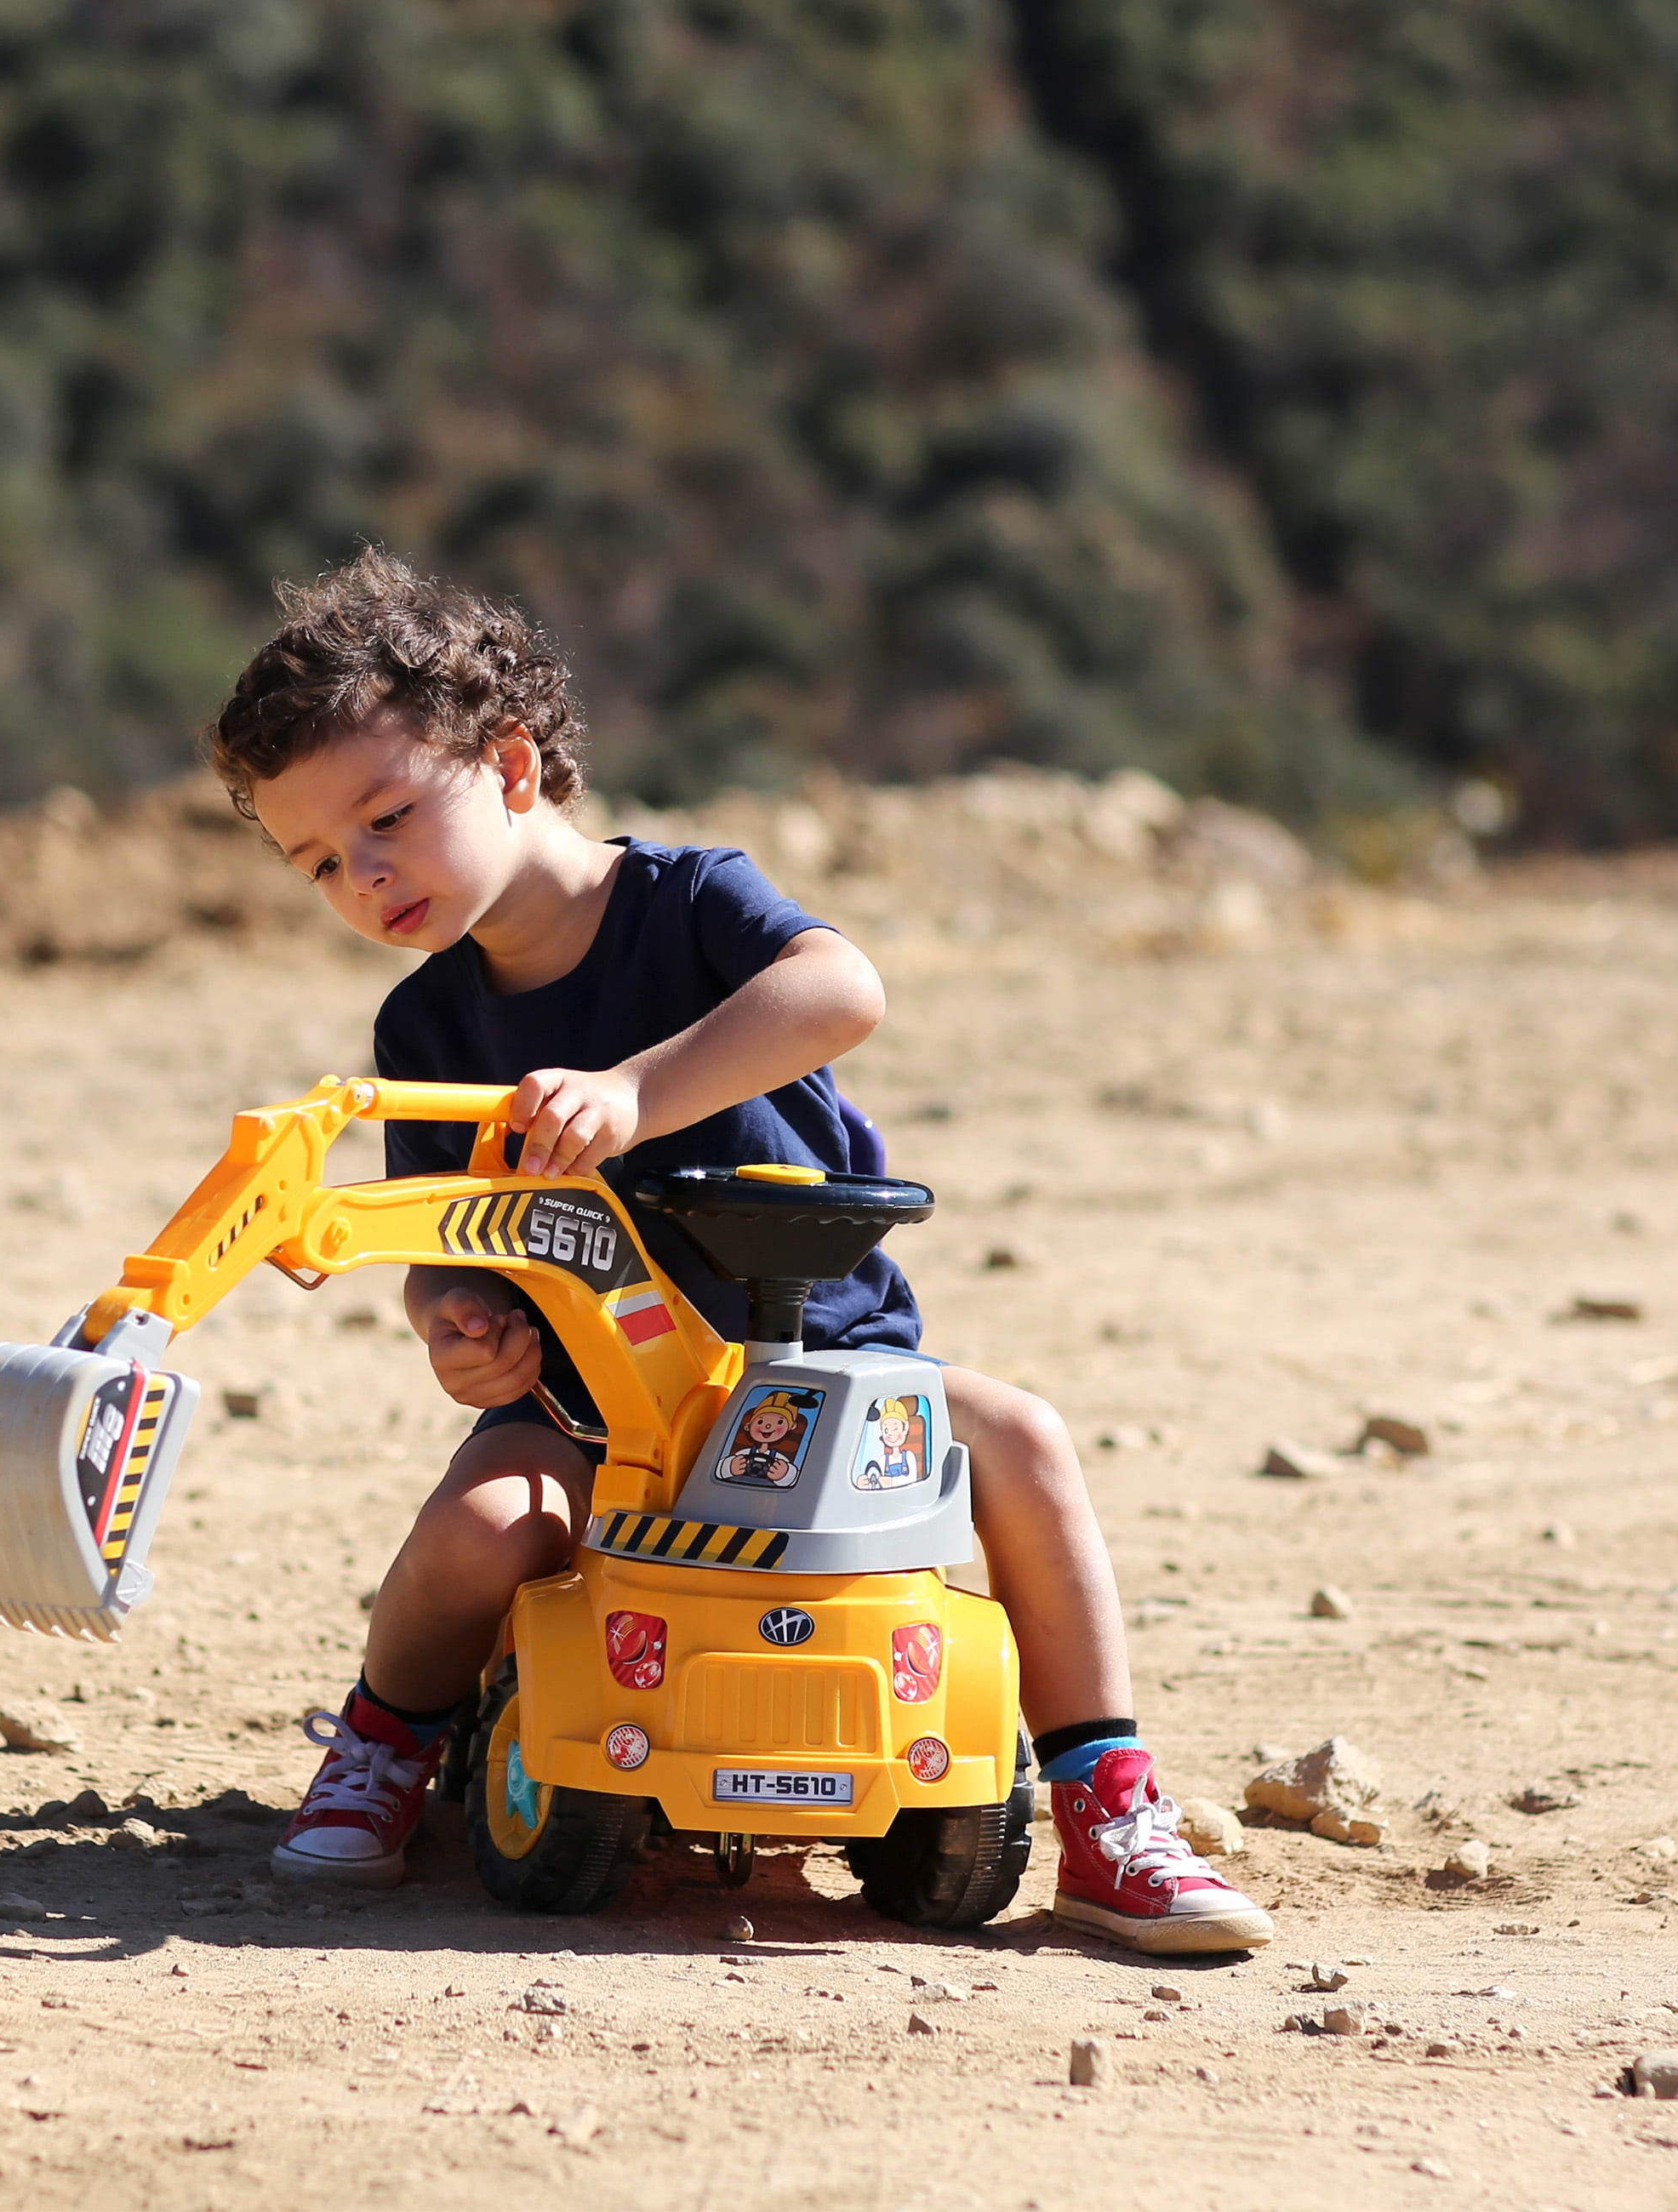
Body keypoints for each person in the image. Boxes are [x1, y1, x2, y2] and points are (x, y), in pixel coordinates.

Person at [204, 548, 1271, 1954]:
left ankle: (1106, 1806)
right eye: (321, 862)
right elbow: (438, 1235)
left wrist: (638, 1091)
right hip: (598, 1409)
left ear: (513, 767)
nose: (364, 875)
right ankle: (386, 1748)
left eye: (389, 818)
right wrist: (456, 1321)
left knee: (1023, 1444)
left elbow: (841, 989)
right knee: (479, 1525)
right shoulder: (430, 1028)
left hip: (828, 1378)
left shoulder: (692, 905)